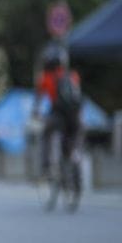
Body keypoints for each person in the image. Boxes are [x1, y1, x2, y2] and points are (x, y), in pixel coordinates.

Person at [32, 43, 82, 177]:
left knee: (46, 134)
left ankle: (46, 166)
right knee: (73, 137)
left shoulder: (46, 78)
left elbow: (38, 98)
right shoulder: (73, 75)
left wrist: (35, 112)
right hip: (75, 114)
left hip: (58, 114)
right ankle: (75, 155)